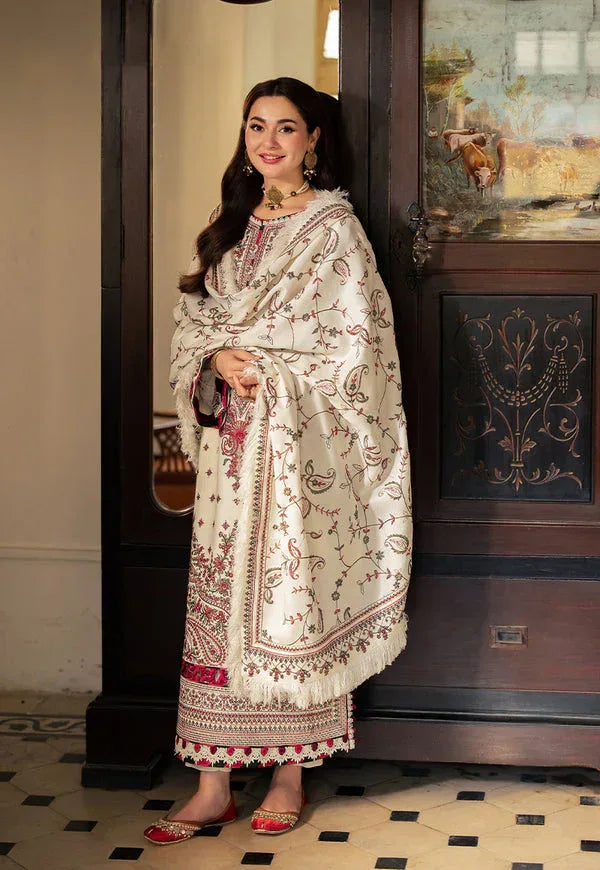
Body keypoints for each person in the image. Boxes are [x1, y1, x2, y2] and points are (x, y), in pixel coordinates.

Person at [144, 77, 412, 845]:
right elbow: (193, 318)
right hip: (231, 456)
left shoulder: (333, 231)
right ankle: (211, 784)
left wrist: (275, 374)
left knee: (288, 601)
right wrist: (214, 355)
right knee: (216, 612)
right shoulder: (230, 222)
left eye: (285, 128)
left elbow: (358, 353)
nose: (268, 142)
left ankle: (290, 773)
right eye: (256, 126)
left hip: (295, 455)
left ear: (313, 140)